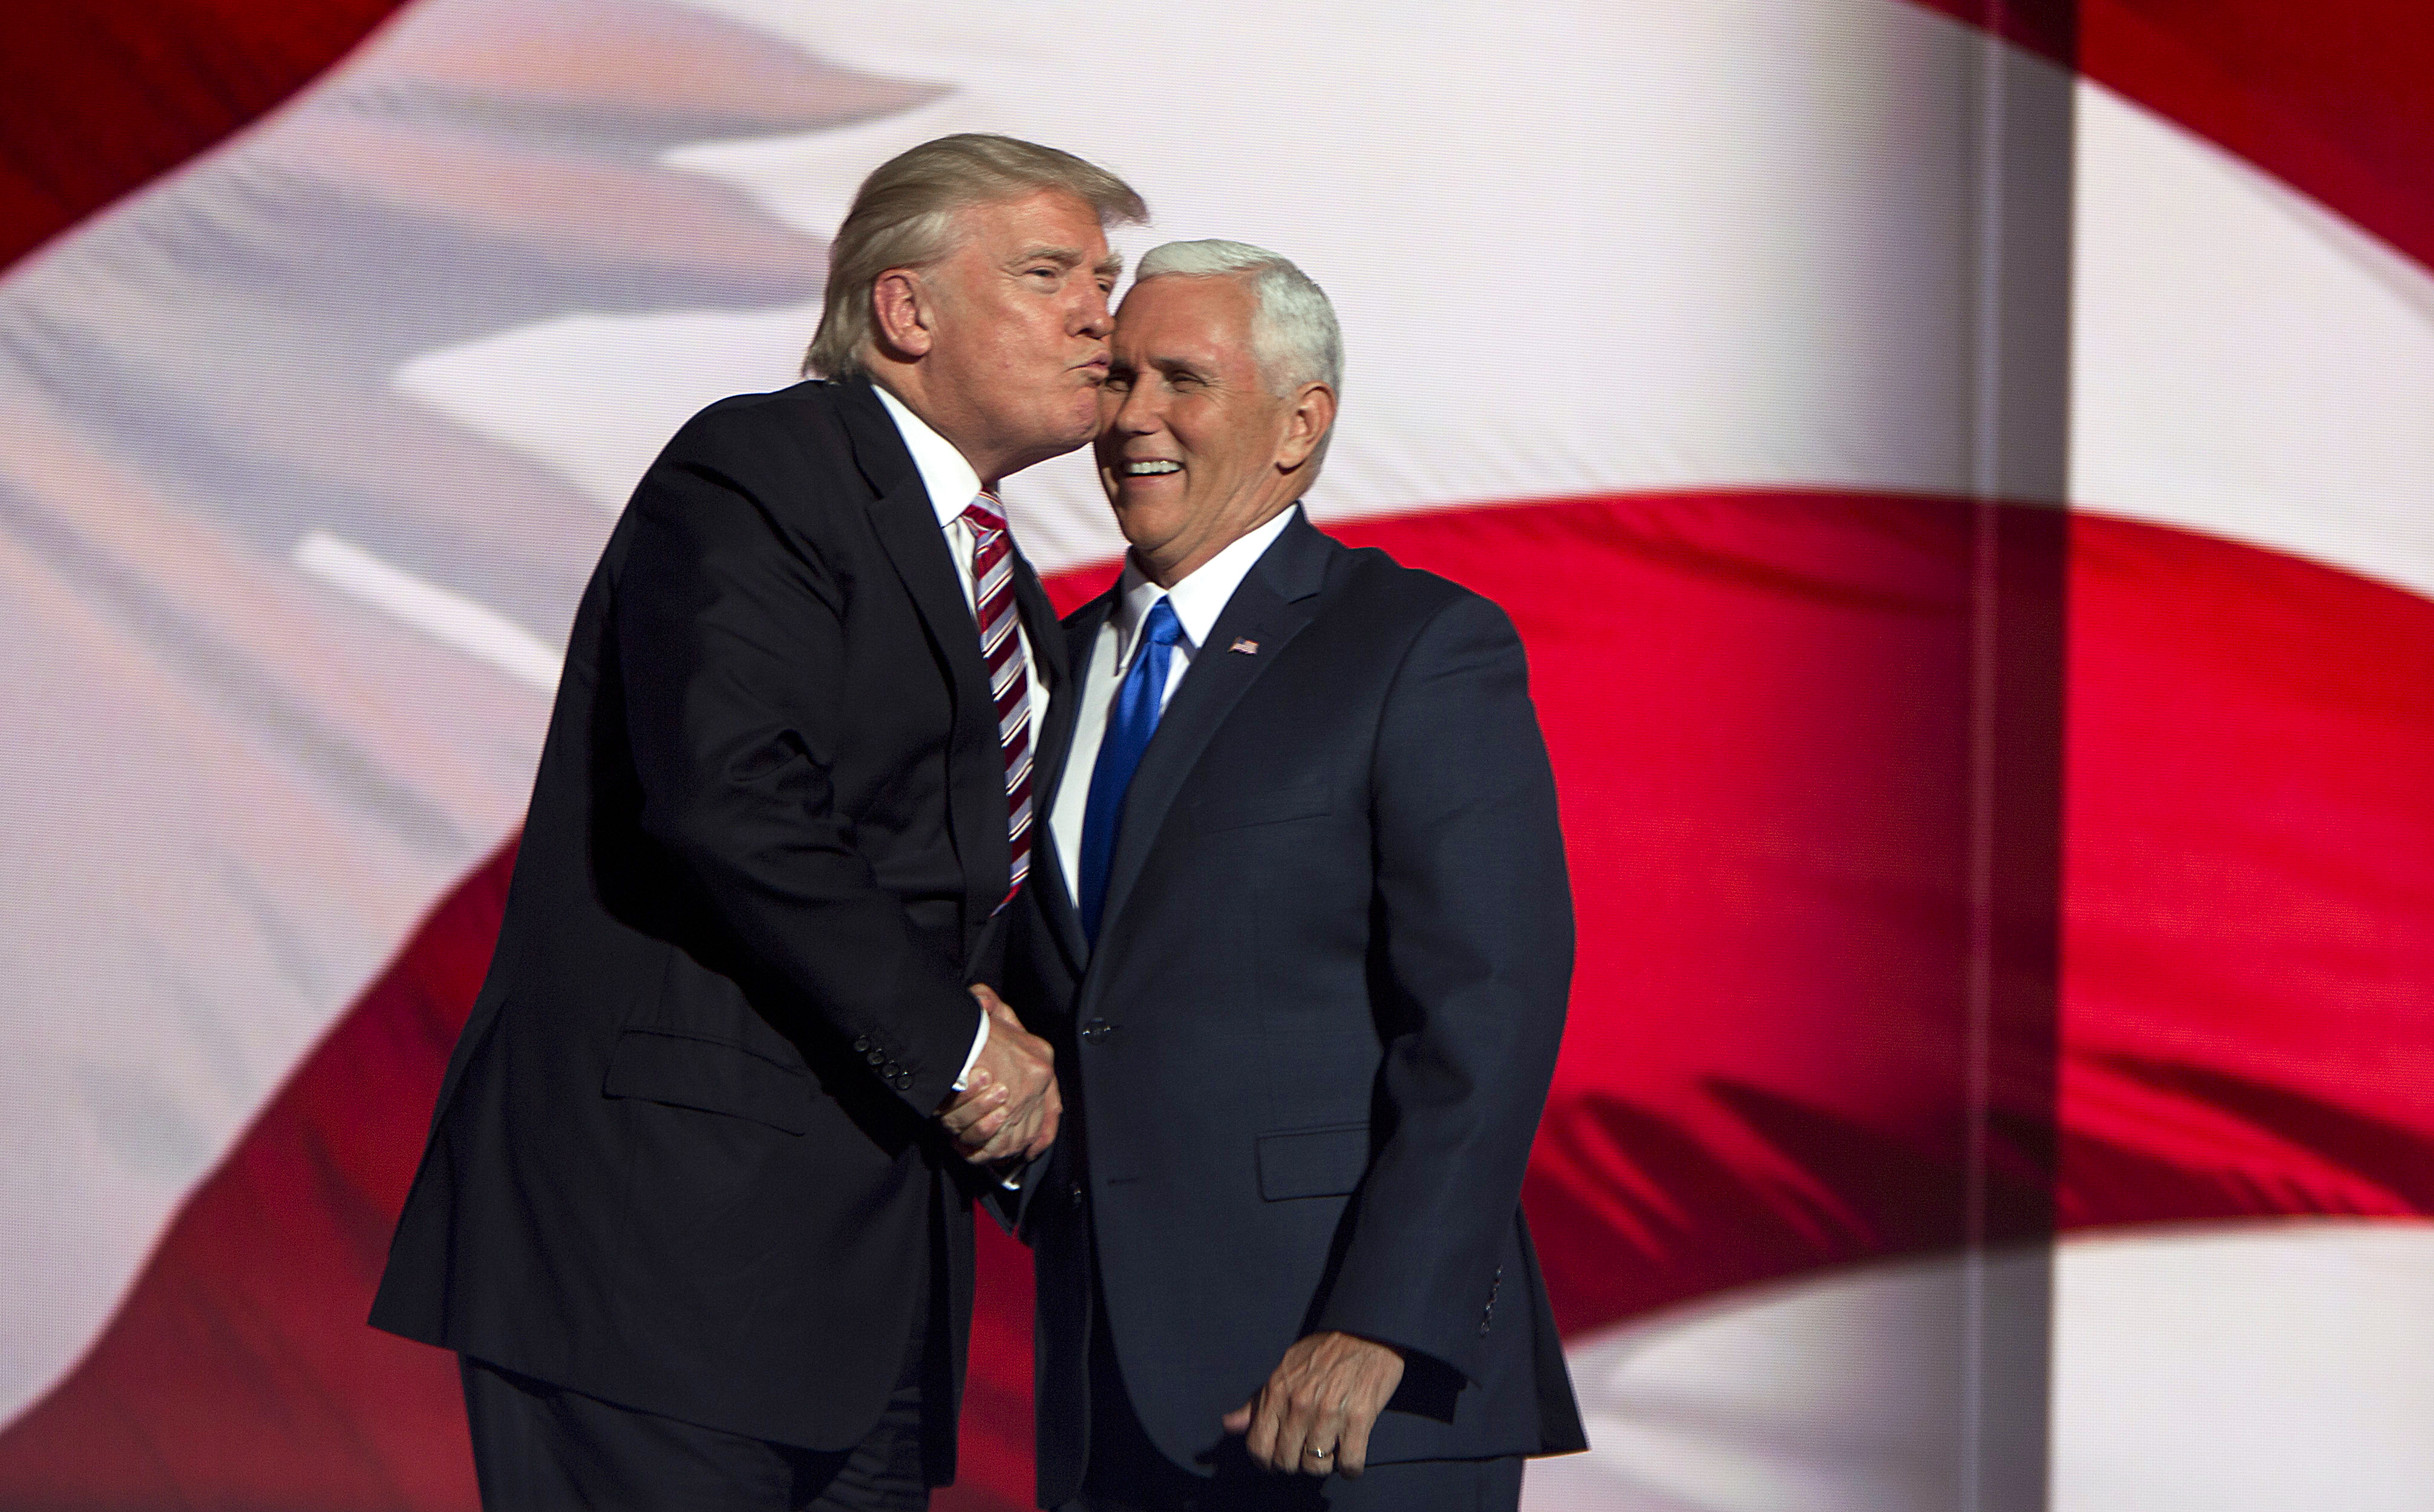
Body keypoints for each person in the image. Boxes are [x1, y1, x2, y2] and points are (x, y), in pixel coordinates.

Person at [372, 133, 1145, 1509]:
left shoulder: (1010, 593)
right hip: (658, 1259)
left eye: (1106, 274)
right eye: (1050, 271)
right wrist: (968, 1050)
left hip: (867, 1287)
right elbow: (731, 793)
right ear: (906, 310)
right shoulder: (766, 463)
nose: (1103, 312)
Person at [950, 240, 1585, 1511]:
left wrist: (1383, 1323)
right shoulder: (1045, 670)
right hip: (1107, 1390)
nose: (1131, 415)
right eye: (1118, 374)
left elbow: (1486, 1005)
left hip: (1351, 1389)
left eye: (1181, 377)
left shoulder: (1413, 645)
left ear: (1300, 423)